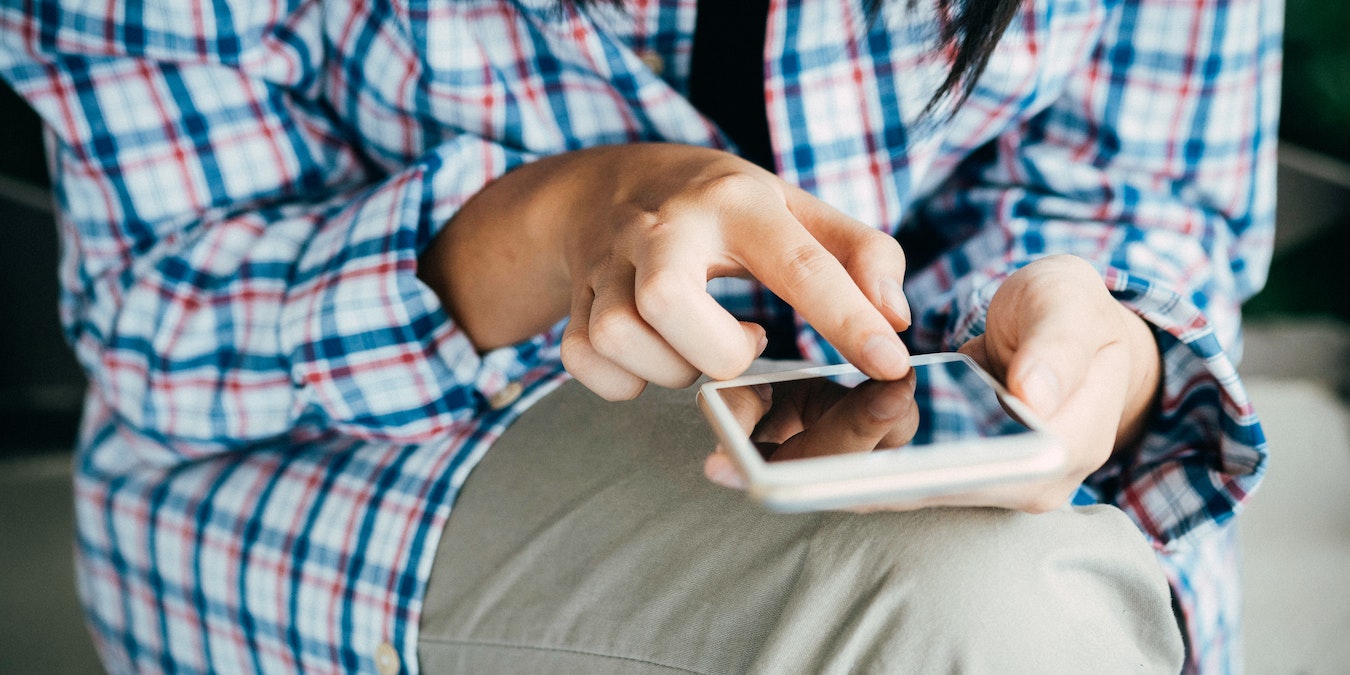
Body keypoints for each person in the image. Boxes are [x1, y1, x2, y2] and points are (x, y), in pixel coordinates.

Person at [0, 0, 1278, 671]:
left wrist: (1110, 352)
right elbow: (156, 307)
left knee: (1028, 598)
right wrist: (552, 226)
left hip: (897, 417)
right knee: (980, 616)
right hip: (350, 457)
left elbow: (1146, 192)